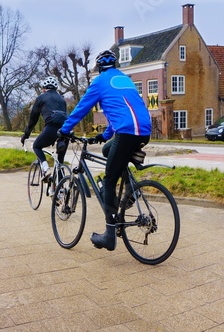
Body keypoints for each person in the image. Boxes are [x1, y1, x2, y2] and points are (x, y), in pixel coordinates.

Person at [58, 50, 151, 251]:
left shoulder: (100, 82)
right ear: (115, 66)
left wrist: (64, 130)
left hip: (126, 133)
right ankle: (129, 188)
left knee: (109, 180)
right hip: (143, 130)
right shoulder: (125, 79)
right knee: (109, 150)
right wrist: (105, 136)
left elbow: (82, 108)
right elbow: (122, 111)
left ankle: (109, 235)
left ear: (99, 68)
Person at [21, 76, 69, 179]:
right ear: (56, 89)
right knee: (60, 162)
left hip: (51, 128)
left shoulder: (40, 98)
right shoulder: (62, 99)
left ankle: (46, 169)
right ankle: (61, 191)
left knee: (36, 146)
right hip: (65, 130)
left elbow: (33, 120)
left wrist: (26, 134)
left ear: (43, 89)